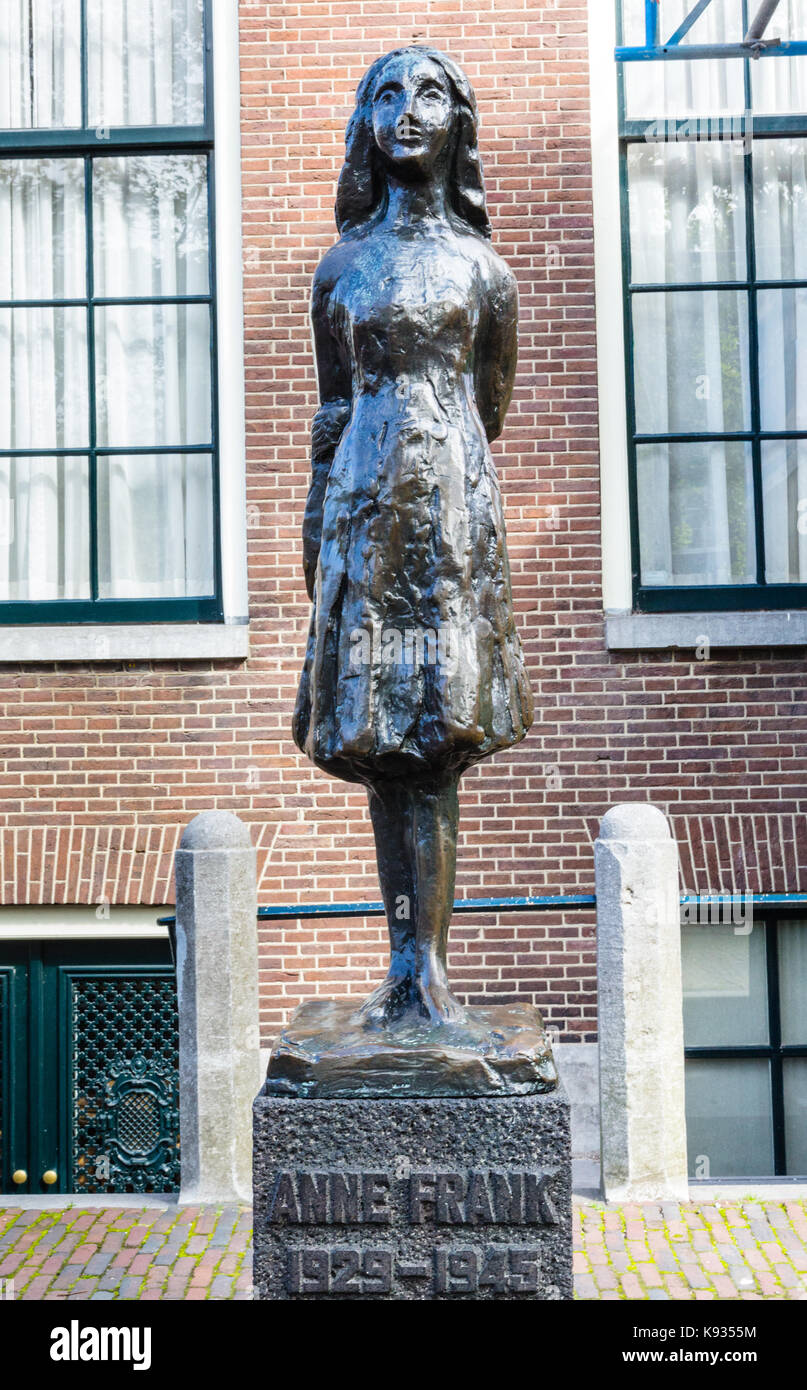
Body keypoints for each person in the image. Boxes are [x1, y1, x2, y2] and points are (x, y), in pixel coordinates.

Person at [293, 46, 533, 1027]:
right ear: (365, 123)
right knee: (382, 739)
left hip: (448, 531)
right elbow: (333, 407)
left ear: (457, 125)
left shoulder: (484, 270)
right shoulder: (341, 268)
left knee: (433, 745)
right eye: (387, 94)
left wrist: (438, 489)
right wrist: (323, 527)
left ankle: (427, 971)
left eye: (430, 93)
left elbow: (491, 405)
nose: (407, 110)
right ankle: (399, 964)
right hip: (358, 522)